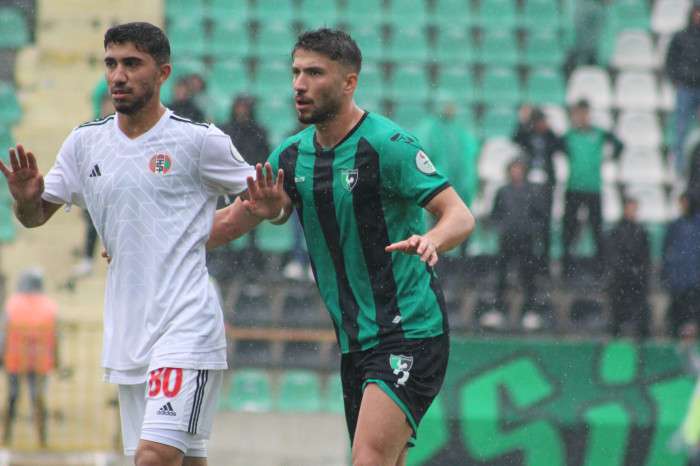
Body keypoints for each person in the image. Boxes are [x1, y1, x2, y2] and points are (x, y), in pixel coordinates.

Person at [0, 22, 280, 466]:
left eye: (132, 64)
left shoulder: (198, 141)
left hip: (186, 323)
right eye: (111, 64)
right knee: (182, 460)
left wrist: (272, 208)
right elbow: (34, 217)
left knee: (153, 458)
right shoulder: (84, 144)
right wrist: (26, 199)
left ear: (163, 73)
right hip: (129, 332)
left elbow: (267, 201)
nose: (118, 75)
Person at [208, 28, 475, 466]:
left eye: (314, 73)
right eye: (296, 72)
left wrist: (431, 239)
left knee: (368, 458)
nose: (299, 84)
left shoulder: (387, 145)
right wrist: (147, 241)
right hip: (355, 341)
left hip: (410, 328)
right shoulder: (290, 157)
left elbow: (460, 215)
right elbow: (229, 223)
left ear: (349, 82)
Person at [561, 99, 624, 275]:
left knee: (596, 228)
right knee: (570, 228)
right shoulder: (569, 135)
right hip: (574, 187)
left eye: (584, 113)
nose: (582, 117)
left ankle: (599, 268)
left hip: (593, 188)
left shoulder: (599, 133)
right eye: (578, 114)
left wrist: (609, 158)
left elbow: (619, 145)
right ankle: (567, 267)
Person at [1, 269, 57, 447]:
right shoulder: (49, 305)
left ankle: (6, 435)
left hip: (15, 357)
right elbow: (55, 336)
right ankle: (42, 438)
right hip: (40, 359)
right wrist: (56, 358)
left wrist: (1, 355)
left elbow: (4, 334)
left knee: (12, 396)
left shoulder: (12, 304)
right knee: (38, 398)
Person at [512, 105, 565, 275]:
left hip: (546, 185)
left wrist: (549, 130)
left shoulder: (549, 137)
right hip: (530, 184)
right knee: (529, 223)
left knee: (545, 223)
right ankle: (528, 262)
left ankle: (544, 263)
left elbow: (560, 145)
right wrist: (523, 122)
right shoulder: (527, 135)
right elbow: (516, 138)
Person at [490, 158, 542, 327]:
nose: (516, 172)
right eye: (513, 169)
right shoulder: (503, 191)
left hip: (526, 240)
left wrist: (530, 229)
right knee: (502, 275)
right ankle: (498, 310)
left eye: (519, 169)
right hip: (507, 240)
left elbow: (539, 216)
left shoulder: (532, 191)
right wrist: (503, 227)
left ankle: (530, 311)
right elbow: (495, 214)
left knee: (528, 276)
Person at [72, 92, 115, 279]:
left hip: (119, 187)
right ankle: (88, 260)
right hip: (97, 185)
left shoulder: (128, 131)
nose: (109, 108)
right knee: (92, 223)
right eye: (106, 104)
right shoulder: (92, 132)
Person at [605, 198, 651, 338]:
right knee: (618, 312)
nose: (632, 212)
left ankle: (638, 336)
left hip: (636, 280)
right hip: (621, 279)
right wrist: (625, 269)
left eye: (634, 209)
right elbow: (612, 255)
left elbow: (645, 256)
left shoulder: (641, 231)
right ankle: (617, 335)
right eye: (630, 208)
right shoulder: (616, 231)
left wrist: (639, 271)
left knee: (638, 312)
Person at [666, 1, 700, 173]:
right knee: (681, 128)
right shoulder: (681, 37)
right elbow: (670, 60)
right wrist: (676, 79)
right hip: (686, 87)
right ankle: (679, 166)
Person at [662, 193, 700, 337]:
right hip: (679, 280)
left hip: (693, 280)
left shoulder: (694, 225)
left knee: (693, 314)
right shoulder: (675, 225)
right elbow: (667, 251)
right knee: (679, 315)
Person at [219, 94, 270, 167]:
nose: (242, 111)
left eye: (245, 107)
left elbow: (263, 157)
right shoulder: (224, 130)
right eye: (239, 107)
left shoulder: (259, 132)